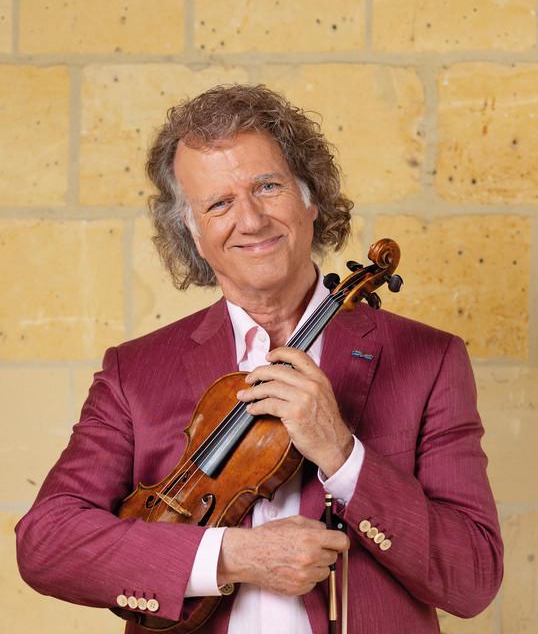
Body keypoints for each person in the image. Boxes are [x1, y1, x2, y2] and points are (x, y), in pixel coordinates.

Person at [16, 84, 503, 634]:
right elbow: (47, 543)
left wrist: (343, 456)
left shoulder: (428, 359)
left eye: (267, 187)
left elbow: (473, 578)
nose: (250, 220)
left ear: (310, 198)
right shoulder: (136, 371)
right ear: (194, 232)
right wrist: (232, 556)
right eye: (218, 204)